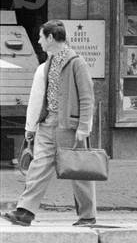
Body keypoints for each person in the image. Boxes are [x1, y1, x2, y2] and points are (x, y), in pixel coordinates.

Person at [3, 20, 98, 228]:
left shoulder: (76, 63)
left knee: (79, 170)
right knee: (38, 166)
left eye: (40, 37)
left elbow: (87, 97)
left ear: (51, 38)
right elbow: (41, 97)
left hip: (69, 126)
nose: (38, 41)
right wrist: (32, 127)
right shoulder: (47, 64)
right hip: (47, 123)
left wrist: (84, 127)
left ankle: (88, 216)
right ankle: (25, 212)